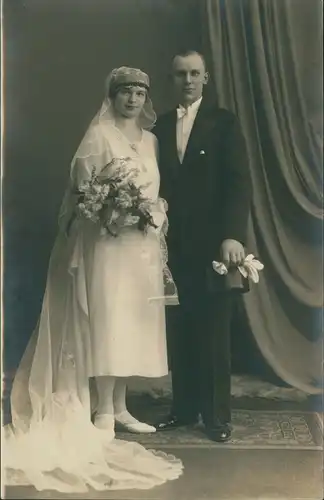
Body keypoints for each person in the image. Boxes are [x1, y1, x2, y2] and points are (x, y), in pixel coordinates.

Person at [4, 67, 183, 493]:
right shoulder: (98, 138)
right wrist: (114, 213)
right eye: (126, 92)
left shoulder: (153, 141)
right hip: (105, 248)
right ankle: (102, 410)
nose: (133, 99)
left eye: (140, 91)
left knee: (131, 327)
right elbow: (83, 195)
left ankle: (120, 405)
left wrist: (154, 214)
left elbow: (155, 193)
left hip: (140, 252)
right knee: (106, 323)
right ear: (113, 96)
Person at [153, 50, 252, 442]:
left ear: (206, 78)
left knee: (214, 333)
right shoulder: (159, 126)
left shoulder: (224, 123)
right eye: (180, 74)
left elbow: (238, 181)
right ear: (172, 79)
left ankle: (216, 418)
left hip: (215, 245)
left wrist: (233, 235)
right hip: (173, 246)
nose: (188, 80)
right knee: (181, 329)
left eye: (195, 73)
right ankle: (183, 408)